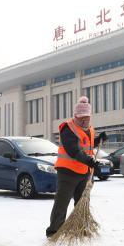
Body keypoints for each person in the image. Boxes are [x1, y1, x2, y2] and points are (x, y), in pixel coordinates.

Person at [46, 96, 105, 237]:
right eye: (81, 117)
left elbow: (87, 145)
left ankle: (80, 228)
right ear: (75, 115)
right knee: (62, 203)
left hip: (84, 172)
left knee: (82, 203)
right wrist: (90, 161)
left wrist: (98, 140)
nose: (84, 120)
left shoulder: (89, 129)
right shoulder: (68, 128)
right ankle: (54, 231)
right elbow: (74, 150)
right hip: (68, 172)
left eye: (87, 117)